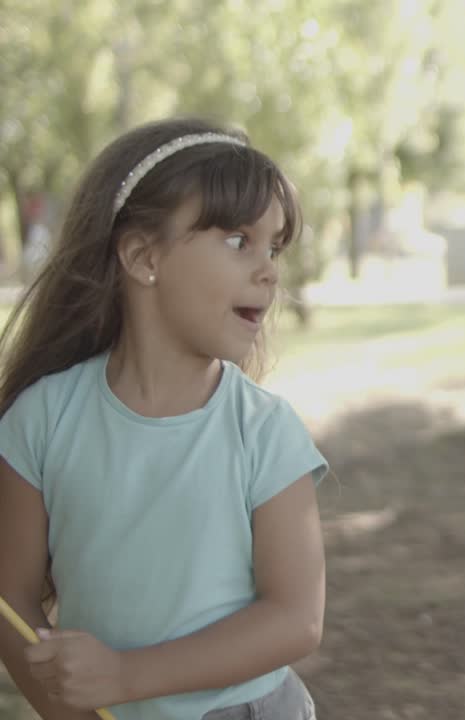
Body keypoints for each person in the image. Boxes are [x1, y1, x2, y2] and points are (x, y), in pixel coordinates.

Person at [0, 118, 328, 719]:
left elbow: (296, 620)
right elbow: (10, 598)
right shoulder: (40, 421)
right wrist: (68, 710)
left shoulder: (265, 432)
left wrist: (127, 676)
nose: (270, 270)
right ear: (143, 256)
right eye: (238, 241)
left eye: (274, 245)